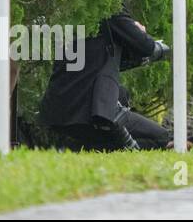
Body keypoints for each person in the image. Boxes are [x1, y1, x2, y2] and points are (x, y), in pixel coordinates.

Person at [39, 10, 172, 151]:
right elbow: (146, 46)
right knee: (161, 138)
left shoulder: (76, 8)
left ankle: (74, 151)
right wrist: (141, 32)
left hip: (59, 108)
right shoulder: (111, 9)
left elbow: (98, 57)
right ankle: (74, 151)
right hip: (90, 110)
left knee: (121, 110)